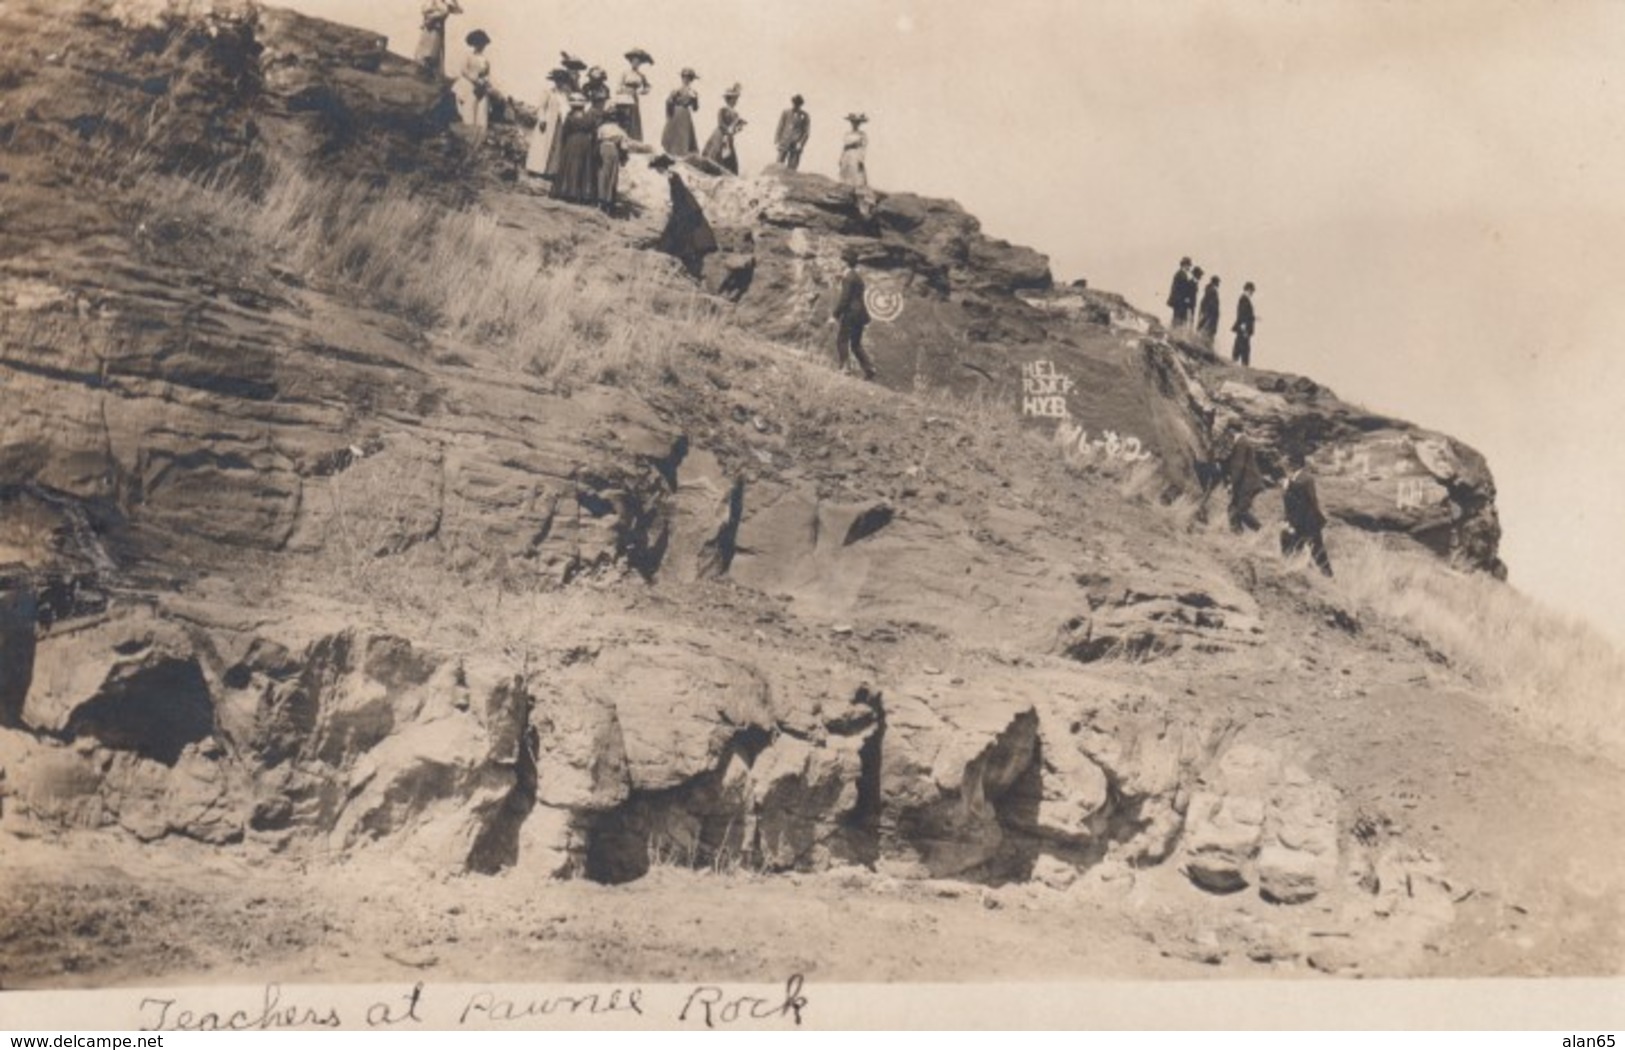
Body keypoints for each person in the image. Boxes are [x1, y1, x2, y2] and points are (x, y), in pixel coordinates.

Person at [652, 154, 719, 278]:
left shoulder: (671, 177)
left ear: (661, 167)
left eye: (658, 168)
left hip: (684, 209)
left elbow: (677, 196)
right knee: (682, 234)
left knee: (682, 235)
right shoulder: (672, 176)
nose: (657, 171)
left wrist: (672, 206)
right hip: (685, 208)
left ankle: (684, 260)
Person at [1280, 450, 1333, 576]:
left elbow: (1309, 501)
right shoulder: (1293, 478)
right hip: (1299, 521)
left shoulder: (1306, 478)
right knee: (1289, 542)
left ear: (1296, 464)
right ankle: (1294, 570)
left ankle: (1328, 576)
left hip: (1308, 522)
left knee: (1317, 551)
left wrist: (1289, 485)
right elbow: (1291, 503)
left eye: (1289, 462)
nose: (1286, 464)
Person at [595, 110, 652, 214]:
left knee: (602, 174)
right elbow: (624, 146)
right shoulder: (619, 130)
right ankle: (608, 200)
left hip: (602, 149)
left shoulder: (602, 128)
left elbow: (597, 139)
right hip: (613, 151)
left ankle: (600, 199)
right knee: (612, 175)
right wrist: (624, 158)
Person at [831, 255, 878, 381]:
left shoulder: (848, 278)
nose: (838, 264)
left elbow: (845, 298)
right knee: (856, 344)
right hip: (861, 314)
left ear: (845, 263)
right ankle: (869, 369)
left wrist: (835, 314)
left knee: (842, 339)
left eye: (840, 261)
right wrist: (842, 280)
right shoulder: (857, 278)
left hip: (850, 313)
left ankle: (845, 368)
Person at [551, 94, 600, 205]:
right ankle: (582, 194)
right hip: (585, 143)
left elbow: (565, 132)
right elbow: (594, 133)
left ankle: (567, 191)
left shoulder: (570, 117)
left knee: (570, 165)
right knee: (584, 166)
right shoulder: (590, 118)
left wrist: (564, 144)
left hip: (572, 142)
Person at [526, 68, 574, 178]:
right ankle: (537, 169)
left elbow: (566, 108)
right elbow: (542, 107)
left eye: (562, 80)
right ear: (554, 80)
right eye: (558, 80)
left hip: (559, 123)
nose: (560, 83)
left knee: (555, 147)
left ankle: (551, 171)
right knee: (542, 146)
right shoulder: (548, 92)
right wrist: (542, 119)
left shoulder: (564, 94)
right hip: (548, 122)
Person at [453, 30, 493, 145]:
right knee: (468, 111)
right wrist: (475, 80)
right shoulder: (468, 56)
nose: (481, 46)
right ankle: (466, 140)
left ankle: (478, 140)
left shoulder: (485, 60)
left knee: (482, 113)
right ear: (474, 44)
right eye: (478, 43)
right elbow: (463, 70)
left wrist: (484, 81)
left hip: (480, 88)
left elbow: (487, 74)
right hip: (468, 86)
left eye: (483, 44)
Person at [1223, 432, 1266, 533]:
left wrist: (1232, 484)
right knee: (1233, 509)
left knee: (1241, 510)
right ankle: (1237, 534)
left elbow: (1239, 466)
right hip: (1246, 482)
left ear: (1231, 430)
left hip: (1248, 483)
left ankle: (1260, 529)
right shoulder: (1243, 441)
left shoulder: (1241, 443)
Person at [702, 84, 746, 174]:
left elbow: (735, 129)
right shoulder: (722, 110)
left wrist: (738, 128)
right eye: (733, 99)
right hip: (719, 135)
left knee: (729, 156)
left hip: (729, 137)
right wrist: (728, 130)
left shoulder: (736, 114)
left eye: (736, 99)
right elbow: (720, 123)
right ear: (728, 100)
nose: (735, 101)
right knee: (716, 154)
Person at [414, 0, 462, 81]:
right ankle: (422, 72)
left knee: (434, 52)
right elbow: (424, 10)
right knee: (425, 51)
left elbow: (459, 11)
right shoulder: (433, 2)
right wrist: (432, 16)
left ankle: (429, 74)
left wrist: (455, 1)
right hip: (430, 28)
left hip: (438, 30)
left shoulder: (446, 5)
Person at [616, 48, 654, 142]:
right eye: (634, 61)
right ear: (631, 61)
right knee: (624, 117)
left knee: (633, 118)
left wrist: (640, 91)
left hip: (634, 98)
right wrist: (625, 90)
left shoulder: (641, 75)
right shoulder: (625, 73)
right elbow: (618, 87)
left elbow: (648, 87)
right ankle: (623, 139)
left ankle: (634, 138)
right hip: (624, 98)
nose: (636, 63)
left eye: (638, 62)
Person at [661, 68, 701, 155]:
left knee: (684, 135)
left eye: (689, 78)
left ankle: (681, 154)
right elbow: (668, 102)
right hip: (676, 113)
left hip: (685, 114)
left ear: (691, 80)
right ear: (682, 78)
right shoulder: (676, 90)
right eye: (684, 78)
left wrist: (695, 99)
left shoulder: (693, 92)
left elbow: (695, 108)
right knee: (673, 134)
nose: (686, 80)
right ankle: (672, 153)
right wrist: (672, 102)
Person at [775, 94, 811, 170]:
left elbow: (806, 132)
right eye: (795, 103)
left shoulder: (805, 115)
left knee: (792, 167)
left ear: (801, 105)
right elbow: (780, 127)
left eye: (798, 104)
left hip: (796, 144)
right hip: (784, 142)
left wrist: (800, 143)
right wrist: (777, 140)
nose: (796, 105)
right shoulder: (785, 113)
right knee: (778, 165)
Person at [839, 113, 868, 187]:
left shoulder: (862, 135)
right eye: (853, 123)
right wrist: (841, 158)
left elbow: (863, 148)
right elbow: (844, 147)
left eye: (857, 123)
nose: (855, 125)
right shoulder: (848, 134)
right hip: (847, 154)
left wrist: (861, 159)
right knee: (845, 171)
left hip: (856, 154)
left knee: (856, 171)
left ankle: (857, 190)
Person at [1232, 281, 1257, 366]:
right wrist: (1244, 329)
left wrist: (1253, 318)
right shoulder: (1244, 299)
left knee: (1239, 347)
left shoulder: (1244, 299)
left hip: (1243, 329)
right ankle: (1242, 366)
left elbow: (1245, 315)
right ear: (1247, 290)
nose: (1252, 293)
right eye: (1251, 291)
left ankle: (1235, 363)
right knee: (1244, 349)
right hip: (1244, 329)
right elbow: (1242, 316)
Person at [1166, 257, 1194, 329]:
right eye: (1188, 265)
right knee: (1179, 318)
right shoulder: (1180, 274)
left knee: (1179, 318)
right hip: (1179, 301)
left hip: (1179, 301)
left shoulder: (1181, 274)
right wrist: (1185, 298)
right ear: (1184, 265)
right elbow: (1180, 289)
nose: (1189, 267)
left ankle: (1176, 334)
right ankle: (1175, 335)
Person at [1197, 274, 1222, 347]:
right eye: (1218, 282)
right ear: (1215, 282)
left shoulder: (1209, 290)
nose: (1218, 284)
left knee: (1206, 330)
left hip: (1208, 315)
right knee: (1208, 332)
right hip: (1210, 316)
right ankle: (1206, 347)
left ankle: (1205, 345)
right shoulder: (1212, 291)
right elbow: (1212, 305)